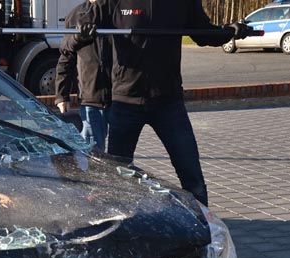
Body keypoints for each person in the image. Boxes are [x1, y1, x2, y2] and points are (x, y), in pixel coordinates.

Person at [74, 1, 251, 206]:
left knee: (192, 178)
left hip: (168, 104)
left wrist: (229, 31)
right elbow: (87, 17)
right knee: (117, 177)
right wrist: (83, 28)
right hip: (125, 102)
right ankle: (120, 223)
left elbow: (203, 34)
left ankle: (203, 224)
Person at [55, 2, 112, 152]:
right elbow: (66, 57)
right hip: (91, 98)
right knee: (94, 156)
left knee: (120, 157)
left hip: (121, 99)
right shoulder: (76, 15)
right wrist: (62, 95)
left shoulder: (119, 11)